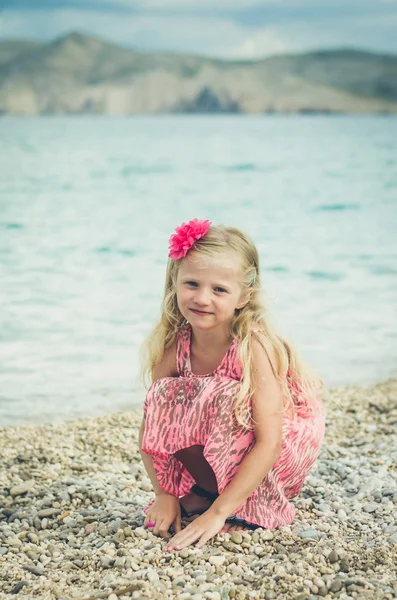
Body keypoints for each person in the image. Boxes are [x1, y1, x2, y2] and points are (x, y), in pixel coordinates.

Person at [138, 218, 325, 551]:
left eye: (219, 289)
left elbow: (270, 442)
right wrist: (164, 494)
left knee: (224, 395)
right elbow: (153, 425)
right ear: (174, 282)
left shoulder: (252, 347)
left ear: (243, 296)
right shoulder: (175, 345)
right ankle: (208, 491)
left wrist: (218, 514)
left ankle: (229, 502)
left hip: (275, 457)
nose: (202, 298)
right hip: (222, 456)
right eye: (192, 283)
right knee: (164, 396)